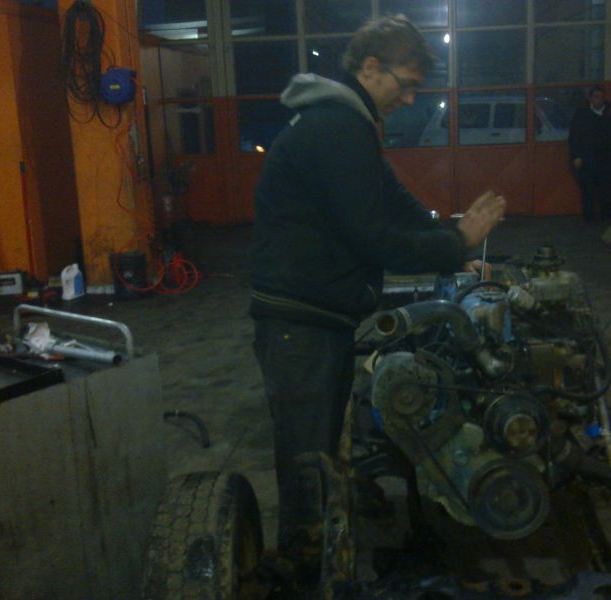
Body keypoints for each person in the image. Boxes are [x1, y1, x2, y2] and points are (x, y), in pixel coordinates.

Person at [249, 14, 505, 574]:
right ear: (370, 67)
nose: (410, 99)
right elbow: (375, 236)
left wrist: (452, 246)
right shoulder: (337, 129)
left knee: (321, 445)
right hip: (300, 320)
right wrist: (455, 241)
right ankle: (302, 569)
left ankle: (322, 542)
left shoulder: (349, 125)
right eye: (406, 84)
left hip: (317, 314)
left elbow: (393, 201)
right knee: (308, 456)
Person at [568, 86, 611, 222]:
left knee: (606, 189)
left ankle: (606, 215)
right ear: (590, 98)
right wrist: (576, 156)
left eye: (601, 97)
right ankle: (589, 217)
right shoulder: (581, 115)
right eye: (596, 97)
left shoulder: (608, 115)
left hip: (604, 159)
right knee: (588, 190)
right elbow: (574, 137)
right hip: (587, 158)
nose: (599, 100)